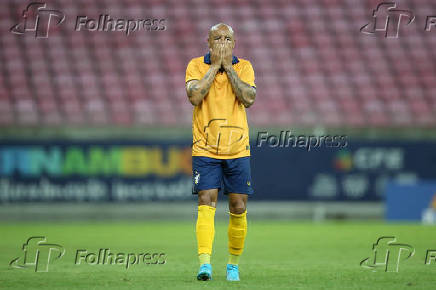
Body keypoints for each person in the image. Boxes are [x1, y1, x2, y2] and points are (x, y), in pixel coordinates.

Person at [185, 23, 256, 282]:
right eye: (218, 38)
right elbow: (194, 97)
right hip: (205, 147)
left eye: (228, 38)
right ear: (209, 41)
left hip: (237, 148)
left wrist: (228, 69)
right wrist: (215, 66)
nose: (223, 42)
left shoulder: (245, 66)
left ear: (234, 43)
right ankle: (205, 264)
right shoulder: (196, 65)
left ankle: (233, 266)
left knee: (238, 205)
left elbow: (248, 98)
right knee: (206, 199)